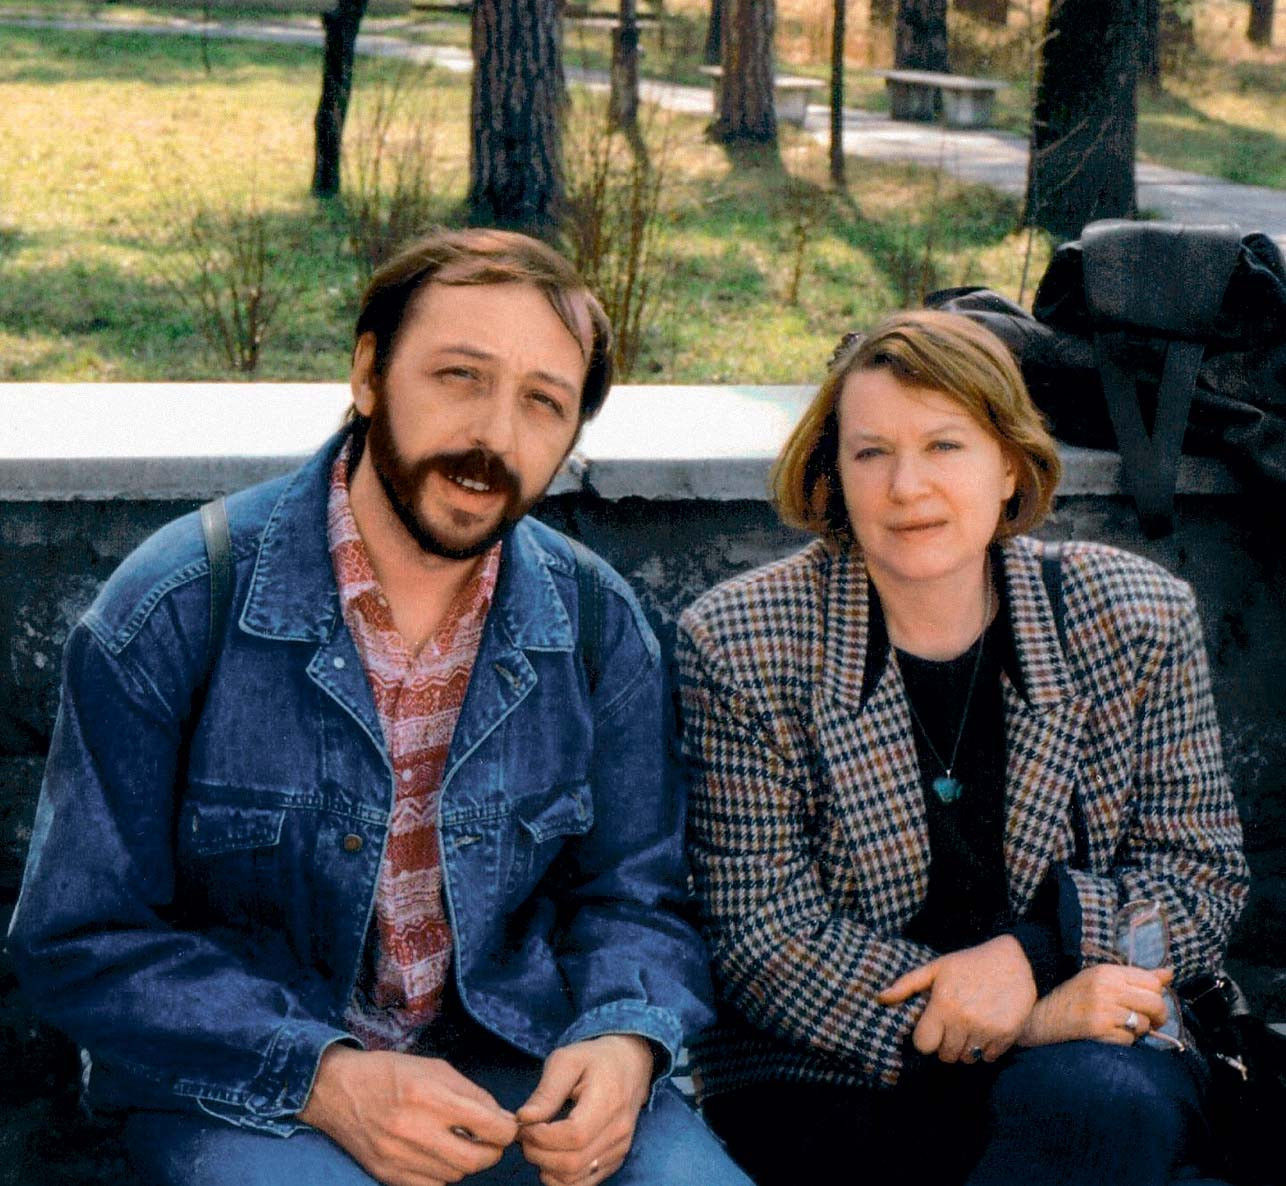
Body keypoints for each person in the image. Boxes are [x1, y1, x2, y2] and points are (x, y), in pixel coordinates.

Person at [8, 229, 750, 1186]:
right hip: (248, 1088)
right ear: (368, 374)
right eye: (459, 376)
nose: (495, 436)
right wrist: (326, 1078)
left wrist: (624, 1039)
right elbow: (82, 937)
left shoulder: (598, 626)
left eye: (543, 402)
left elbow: (638, 897)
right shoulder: (177, 606)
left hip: (518, 1070)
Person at [676, 310, 1250, 1186]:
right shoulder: (741, 641)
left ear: (1009, 463)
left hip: (1088, 1045)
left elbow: (1200, 877)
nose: (907, 486)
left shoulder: (1135, 615)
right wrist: (1016, 1020)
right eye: (871, 453)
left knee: (1097, 1106)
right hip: (831, 1059)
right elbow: (760, 937)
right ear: (835, 472)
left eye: (944, 445)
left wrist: (1033, 958)